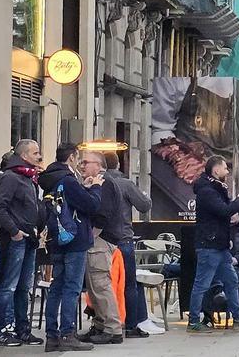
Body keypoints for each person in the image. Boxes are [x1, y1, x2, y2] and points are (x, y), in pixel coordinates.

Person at [36, 143, 102, 351]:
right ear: (72, 157)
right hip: (75, 240)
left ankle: (52, 336)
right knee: (71, 288)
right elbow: (91, 206)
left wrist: (85, 188)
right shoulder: (68, 180)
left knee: (56, 288)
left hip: (57, 239)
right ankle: (67, 333)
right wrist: (97, 188)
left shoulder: (50, 179)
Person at [187, 155, 239, 332]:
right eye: (225, 168)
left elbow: (224, 214)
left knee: (231, 280)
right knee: (202, 283)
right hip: (209, 245)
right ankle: (194, 321)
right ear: (216, 170)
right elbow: (223, 211)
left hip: (220, 244)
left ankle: (238, 316)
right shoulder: (208, 191)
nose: (227, 171)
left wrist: (228, 239)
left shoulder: (216, 188)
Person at [0, 139, 44, 347]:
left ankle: (22, 329)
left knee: (23, 287)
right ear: (24, 156)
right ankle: (0, 330)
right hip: (14, 240)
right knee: (7, 286)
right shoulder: (12, 178)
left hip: (28, 238)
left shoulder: (29, 178)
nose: (40, 156)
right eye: (36, 152)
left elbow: (31, 207)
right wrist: (14, 231)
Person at [98, 152, 158, 337]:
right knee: (129, 284)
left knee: (102, 285)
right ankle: (131, 324)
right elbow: (144, 205)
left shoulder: (96, 183)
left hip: (101, 240)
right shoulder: (125, 184)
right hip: (123, 239)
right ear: (118, 165)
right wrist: (145, 195)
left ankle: (105, 322)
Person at [77, 150, 126, 346]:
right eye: (81, 162)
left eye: (85, 162)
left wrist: (91, 235)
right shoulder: (98, 183)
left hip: (100, 239)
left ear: (99, 165)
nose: (82, 165)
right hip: (101, 238)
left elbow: (103, 214)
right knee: (94, 286)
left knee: (100, 284)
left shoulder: (104, 184)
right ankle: (100, 325)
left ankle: (112, 329)